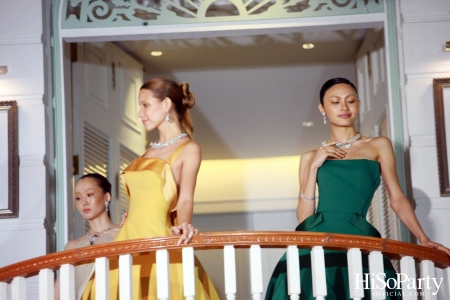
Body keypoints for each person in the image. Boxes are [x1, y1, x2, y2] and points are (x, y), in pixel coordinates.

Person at [265, 78, 450, 300]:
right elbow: (304, 218)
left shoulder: (378, 145)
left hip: (359, 237)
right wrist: (315, 164)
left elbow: (397, 198)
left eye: (350, 101)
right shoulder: (309, 157)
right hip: (314, 242)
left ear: (358, 105)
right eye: (335, 102)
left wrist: (423, 238)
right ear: (322, 109)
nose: (344, 107)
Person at [81, 77, 219, 299]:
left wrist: (183, 226)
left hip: (159, 237)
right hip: (128, 238)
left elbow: (184, 199)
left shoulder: (189, 148)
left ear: (166, 105)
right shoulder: (146, 153)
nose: (139, 113)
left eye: (145, 105)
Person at [55, 173, 121, 300]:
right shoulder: (72, 246)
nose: (84, 202)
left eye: (89, 195)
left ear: (107, 197)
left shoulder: (123, 234)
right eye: (78, 198)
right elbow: (58, 294)